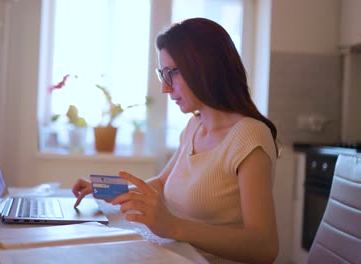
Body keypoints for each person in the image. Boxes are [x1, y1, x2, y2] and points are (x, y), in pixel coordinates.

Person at [72, 17, 279, 264]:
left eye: (171, 73)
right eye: (162, 74)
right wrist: (105, 189)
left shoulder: (250, 136)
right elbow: (161, 182)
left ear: (205, 67)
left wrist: (173, 227)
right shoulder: (194, 126)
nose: (165, 88)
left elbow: (264, 247)